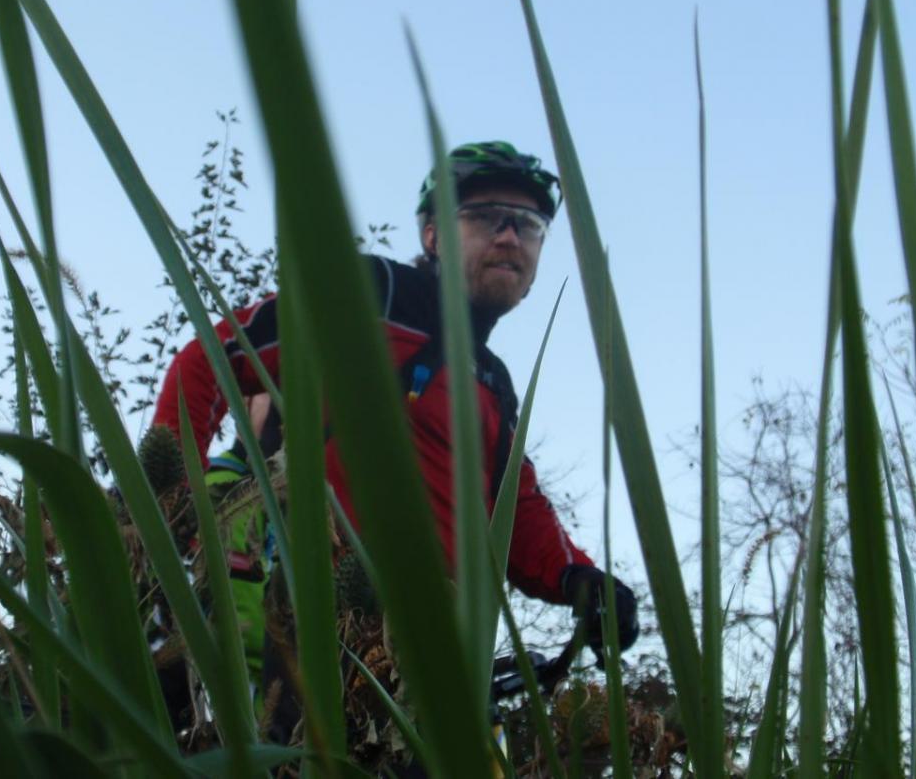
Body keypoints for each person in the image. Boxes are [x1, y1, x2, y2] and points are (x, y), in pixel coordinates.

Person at [151, 141, 638, 720]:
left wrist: (579, 578)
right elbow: (210, 356)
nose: (510, 236)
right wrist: (172, 500)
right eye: (485, 217)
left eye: (529, 225)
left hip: (437, 659)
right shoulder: (374, 293)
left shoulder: (494, 381)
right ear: (432, 236)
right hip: (325, 623)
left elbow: (514, 507)